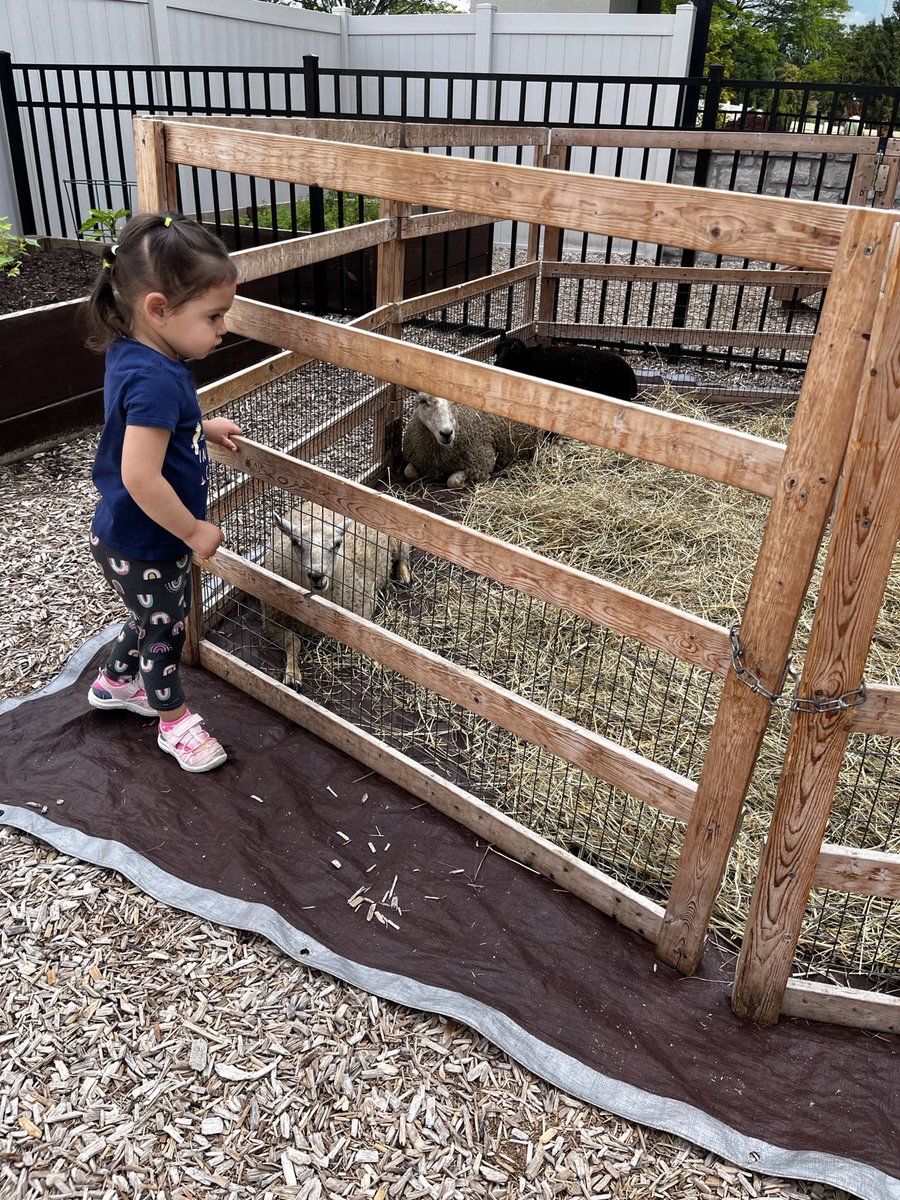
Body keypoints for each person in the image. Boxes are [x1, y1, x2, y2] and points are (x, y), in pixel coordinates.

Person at [84, 211, 243, 773]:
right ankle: (172, 720)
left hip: (131, 535)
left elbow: (154, 427)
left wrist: (204, 427)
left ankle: (113, 683)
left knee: (149, 614)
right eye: (214, 316)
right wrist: (195, 529)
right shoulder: (155, 377)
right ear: (159, 308)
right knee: (164, 628)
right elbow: (140, 476)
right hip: (147, 541)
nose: (223, 328)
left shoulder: (145, 355)